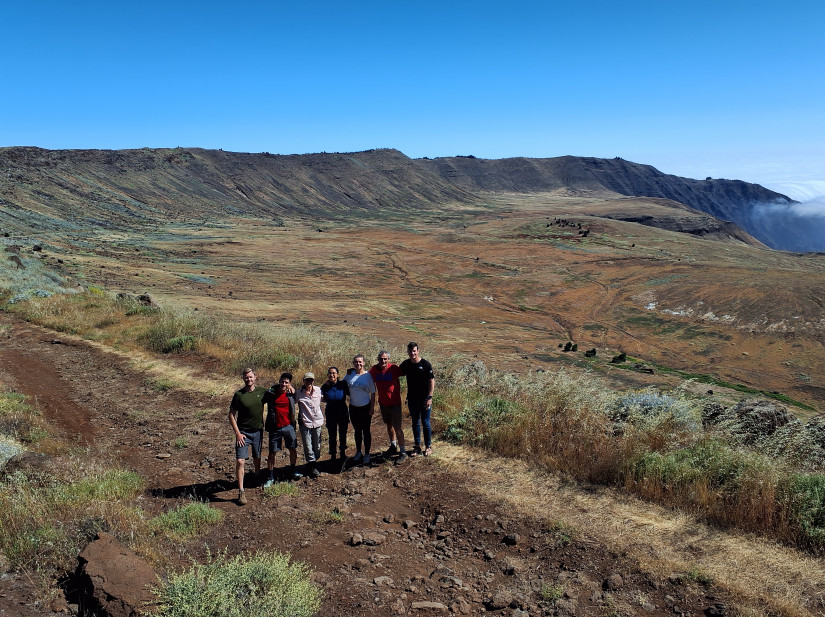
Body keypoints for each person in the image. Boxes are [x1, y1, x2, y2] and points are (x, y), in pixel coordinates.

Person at [227, 367, 265, 505]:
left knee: (257, 456)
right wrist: (237, 433)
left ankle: (257, 475)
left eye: (251, 377)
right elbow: (231, 414)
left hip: (258, 432)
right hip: (243, 433)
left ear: (255, 377)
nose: (249, 379)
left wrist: (289, 387)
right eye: (246, 377)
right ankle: (241, 491)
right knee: (240, 461)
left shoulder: (262, 392)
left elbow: (277, 391)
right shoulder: (239, 395)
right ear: (243, 378)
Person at [262, 372, 302, 484]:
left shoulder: (291, 394)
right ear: (279, 381)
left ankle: (293, 469)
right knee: (272, 452)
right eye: (282, 381)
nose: (283, 384)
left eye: (286, 382)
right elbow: (262, 398)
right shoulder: (271, 393)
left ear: (289, 384)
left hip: (289, 426)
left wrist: (292, 389)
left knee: (293, 448)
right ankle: (270, 477)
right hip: (275, 427)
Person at [369, 350, 408, 464]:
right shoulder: (373, 370)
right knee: (389, 424)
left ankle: (403, 452)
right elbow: (365, 374)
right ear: (378, 359)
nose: (383, 361)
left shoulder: (394, 369)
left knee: (398, 427)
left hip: (395, 403)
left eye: (385, 359)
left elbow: (407, 371)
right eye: (381, 359)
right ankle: (393, 445)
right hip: (383, 403)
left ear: (388, 360)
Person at [400, 342, 435, 457]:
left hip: (425, 399)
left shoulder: (425, 364)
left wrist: (430, 397)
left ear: (418, 351)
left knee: (426, 423)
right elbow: (394, 372)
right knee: (415, 422)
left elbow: (431, 381)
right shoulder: (406, 364)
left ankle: (428, 446)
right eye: (410, 351)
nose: (412, 353)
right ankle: (417, 446)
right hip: (412, 399)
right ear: (408, 352)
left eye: (414, 351)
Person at [344, 354, 376, 465]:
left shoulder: (368, 376)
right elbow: (342, 384)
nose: (358, 364)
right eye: (356, 362)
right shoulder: (349, 375)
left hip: (365, 407)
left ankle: (367, 454)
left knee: (366, 431)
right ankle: (358, 452)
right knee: (357, 431)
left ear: (364, 363)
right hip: (353, 407)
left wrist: (372, 407)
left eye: (360, 362)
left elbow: (373, 393)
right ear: (353, 363)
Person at [294, 372, 324, 477]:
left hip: (317, 421)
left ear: (313, 381)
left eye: (311, 380)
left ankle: (314, 461)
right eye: (307, 380)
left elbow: (325, 398)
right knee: (307, 445)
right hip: (305, 422)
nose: (309, 382)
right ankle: (312, 465)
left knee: (318, 445)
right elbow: (291, 401)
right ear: (303, 381)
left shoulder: (319, 390)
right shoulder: (298, 393)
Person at [321, 366, 350, 460]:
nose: (332, 375)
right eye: (330, 373)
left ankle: (342, 452)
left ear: (337, 375)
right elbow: (321, 397)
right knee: (332, 434)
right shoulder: (325, 386)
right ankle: (333, 454)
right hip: (330, 413)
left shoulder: (343, 384)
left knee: (343, 433)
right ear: (327, 375)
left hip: (342, 411)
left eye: (334, 373)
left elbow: (350, 392)